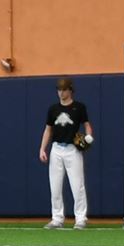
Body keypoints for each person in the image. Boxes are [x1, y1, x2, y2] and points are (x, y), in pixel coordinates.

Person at [39, 77, 92, 229]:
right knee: (55, 185)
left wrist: (88, 138)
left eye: (64, 89)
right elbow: (48, 129)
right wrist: (42, 148)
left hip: (72, 150)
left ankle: (80, 218)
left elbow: (87, 126)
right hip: (56, 149)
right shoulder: (53, 109)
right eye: (59, 89)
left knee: (77, 185)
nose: (61, 92)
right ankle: (57, 218)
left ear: (70, 90)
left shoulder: (79, 107)